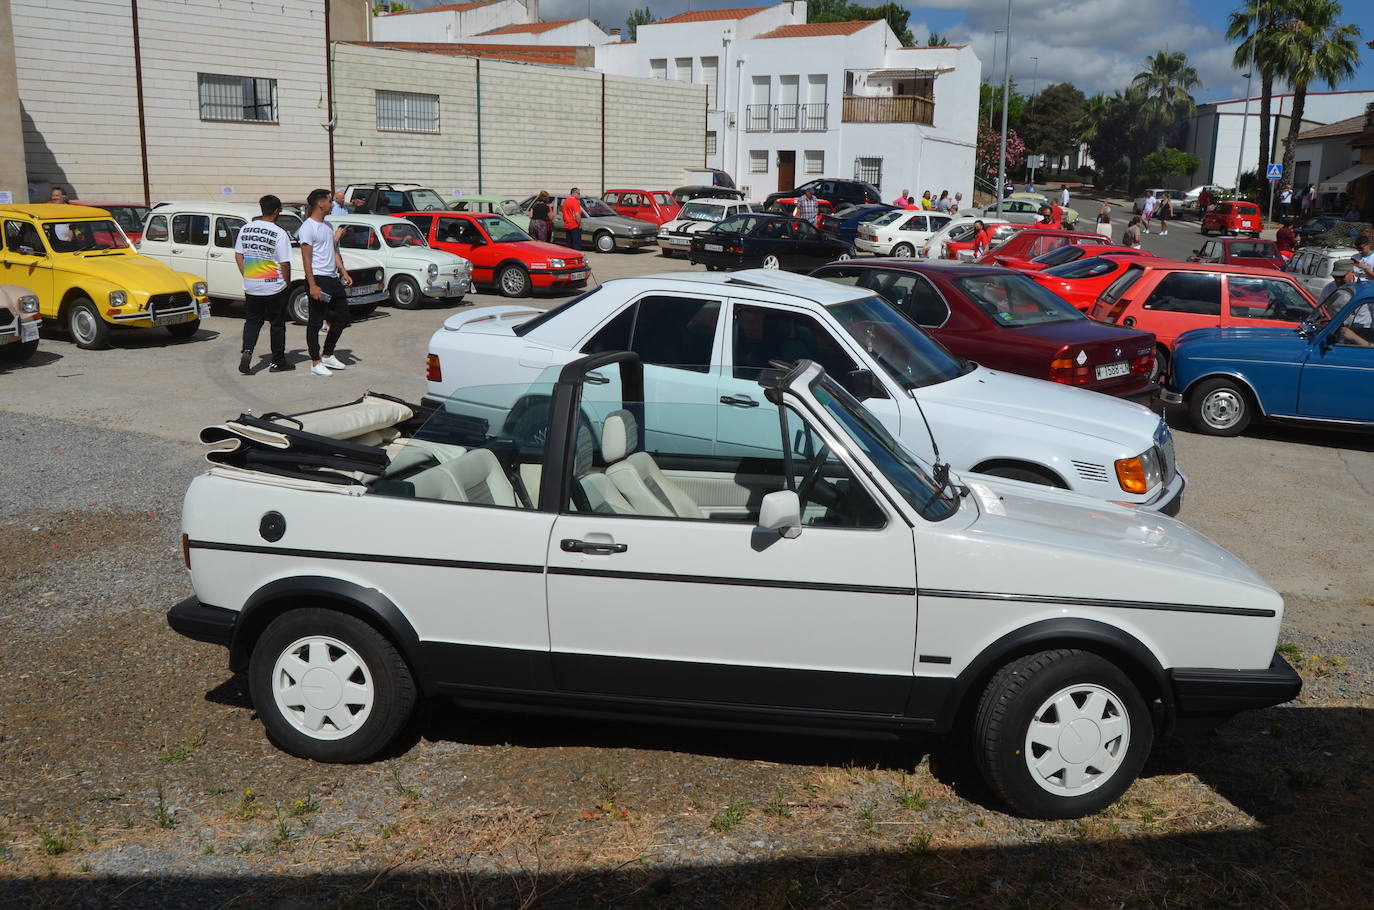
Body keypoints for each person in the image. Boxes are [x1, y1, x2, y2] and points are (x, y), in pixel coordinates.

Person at [234, 194, 294, 374]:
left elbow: (238, 254)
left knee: (252, 321)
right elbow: (285, 263)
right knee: (277, 324)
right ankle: (277, 362)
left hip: (252, 285)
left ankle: (247, 350)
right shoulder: (279, 233)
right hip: (274, 285)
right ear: (277, 211)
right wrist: (287, 283)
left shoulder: (246, 228)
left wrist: (247, 275)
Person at [299, 187, 353, 377]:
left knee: (343, 317)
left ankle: (328, 354)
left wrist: (343, 271)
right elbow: (306, 259)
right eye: (330, 201)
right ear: (320, 203)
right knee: (315, 321)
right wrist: (313, 285)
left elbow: (333, 251)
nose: (333, 204)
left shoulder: (328, 226)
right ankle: (315, 362)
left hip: (332, 278)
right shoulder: (308, 227)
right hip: (318, 279)